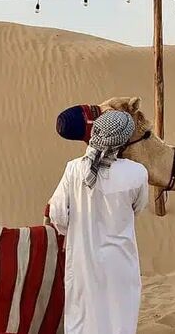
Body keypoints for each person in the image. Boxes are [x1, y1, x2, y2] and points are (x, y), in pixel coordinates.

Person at [48, 110, 149, 334]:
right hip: (120, 261)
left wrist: (74, 230)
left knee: (84, 319)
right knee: (120, 317)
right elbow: (138, 208)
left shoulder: (74, 169)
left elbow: (57, 214)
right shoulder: (137, 173)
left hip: (83, 259)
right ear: (124, 140)